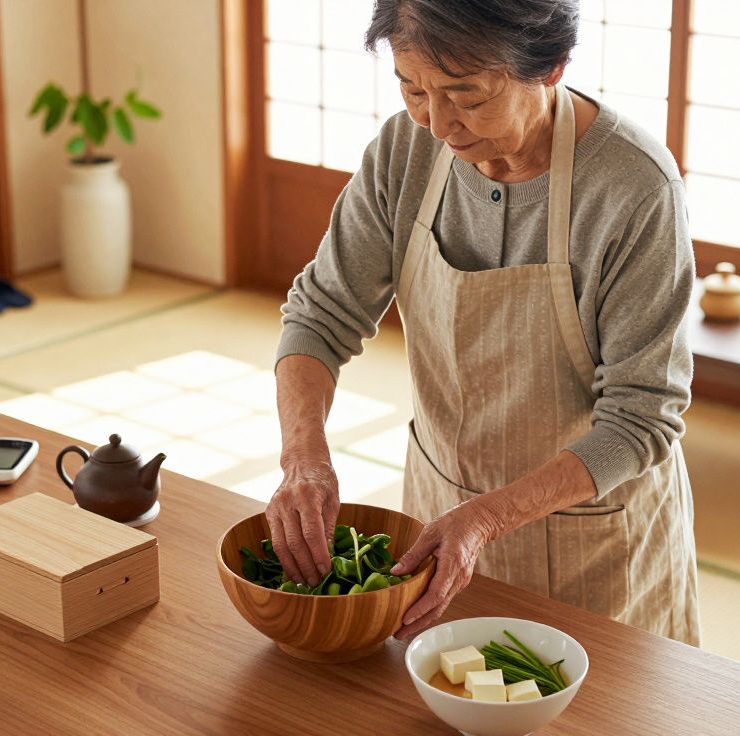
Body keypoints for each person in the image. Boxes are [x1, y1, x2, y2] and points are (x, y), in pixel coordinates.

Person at [266, 0, 700, 645]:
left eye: (466, 95)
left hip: (594, 538)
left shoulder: (634, 188)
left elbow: (641, 418)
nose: (437, 123)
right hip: (437, 515)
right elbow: (319, 314)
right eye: (414, 90)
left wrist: (486, 519)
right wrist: (303, 457)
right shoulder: (404, 148)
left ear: (550, 66)